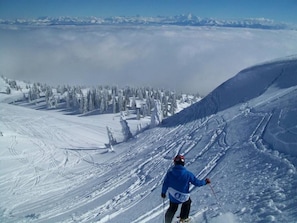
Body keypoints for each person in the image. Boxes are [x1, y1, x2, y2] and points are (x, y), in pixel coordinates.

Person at [161, 154, 211, 223]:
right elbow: (197, 183)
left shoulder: (170, 173)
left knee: (172, 208)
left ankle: (167, 221)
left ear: (175, 163)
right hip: (183, 196)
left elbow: (165, 184)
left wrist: (163, 193)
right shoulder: (188, 174)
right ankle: (183, 218)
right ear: (183, 163)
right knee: (187, 203)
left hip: (173, 196)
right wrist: (205, 182)